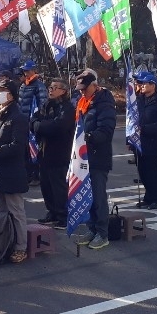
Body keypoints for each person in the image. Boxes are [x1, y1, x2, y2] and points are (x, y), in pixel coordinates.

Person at [0, 78, 29, 263]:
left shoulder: (18, 117)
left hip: (12, 170)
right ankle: (3, 242)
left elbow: (17, 146)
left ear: (12, 94)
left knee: (16, 211)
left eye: (3, 90)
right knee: (0, 209)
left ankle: (20, 247)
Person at [73, 69, 117, 247]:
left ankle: (102, 233)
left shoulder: (104, 103)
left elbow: (106, 131)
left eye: (85, 88)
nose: (82, 91)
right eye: (80, 89)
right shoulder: (83, 102)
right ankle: (92, 228)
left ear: (94, 85)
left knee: (98, 196)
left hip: (98, 157)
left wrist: (87, 137)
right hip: (83, 157)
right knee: (87, 196)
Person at [32, 77, 74, 225]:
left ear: (63, 91)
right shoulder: (46, 105)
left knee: (58, 186)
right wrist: (40, 125)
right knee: (46, 185)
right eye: (50, 87)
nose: (51, 89)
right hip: (44, 151)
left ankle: (62, 215)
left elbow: (58, 126)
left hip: (60, 152)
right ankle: (52, 211)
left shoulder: (67, 108)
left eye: (55, 87)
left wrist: (40, 126)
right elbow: (34, 120)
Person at [133, 72, 157, 210]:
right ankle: (149, 197)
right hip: (139, 143)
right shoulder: (139, 100)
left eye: (144, 83)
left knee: (153, 172)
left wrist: (144, 129)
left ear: (153, 85)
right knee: (142, 172)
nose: (141, 86)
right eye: (140, 83)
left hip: (153, 142)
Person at [17, 60, 48, 185]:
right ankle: (28, 174)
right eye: (24, 71)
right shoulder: (23, 85)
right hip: (23, 121)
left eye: (28, 70)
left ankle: (36, 175)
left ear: (34, 70)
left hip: (33, 122)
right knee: (25, 150)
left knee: (34, 148)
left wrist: (37, 120)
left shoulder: (39, 86)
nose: (26, 73)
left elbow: (42, 104)